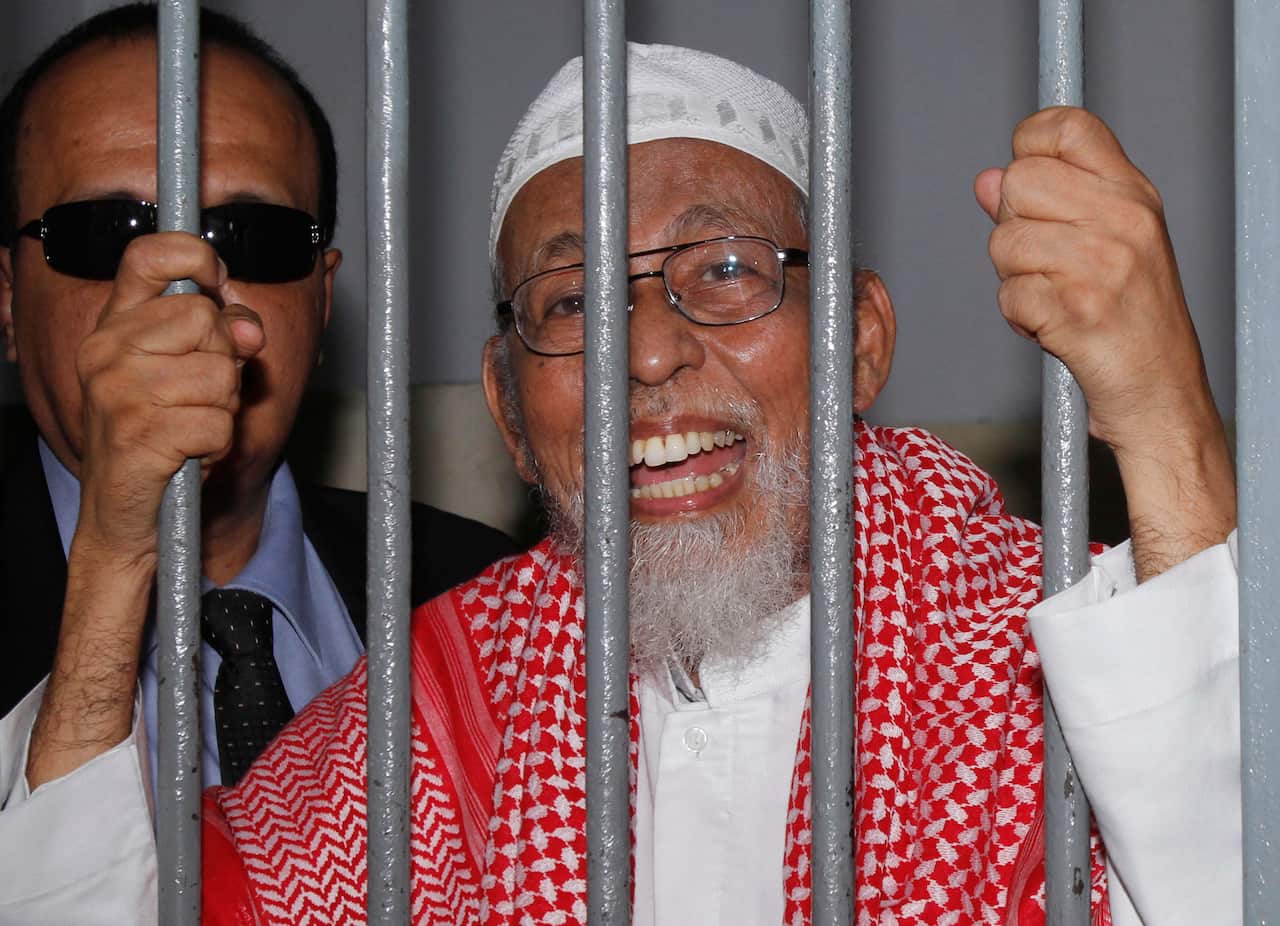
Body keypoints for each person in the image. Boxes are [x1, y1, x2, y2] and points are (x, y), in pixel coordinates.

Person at [88, 42, 1245, 925]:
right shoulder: (429, 711)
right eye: (574, 303)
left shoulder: (1071, 652)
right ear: (506, 404)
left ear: (858, 339)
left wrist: (1163, 426)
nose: (644, 353)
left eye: (726, 269)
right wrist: (115, 551)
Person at [0, 5, 512, 920]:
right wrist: (116, 557)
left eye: (254, 238)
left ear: (322, 303)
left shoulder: (485, 597)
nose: (184, 292)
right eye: (109, 231)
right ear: (6, 299)